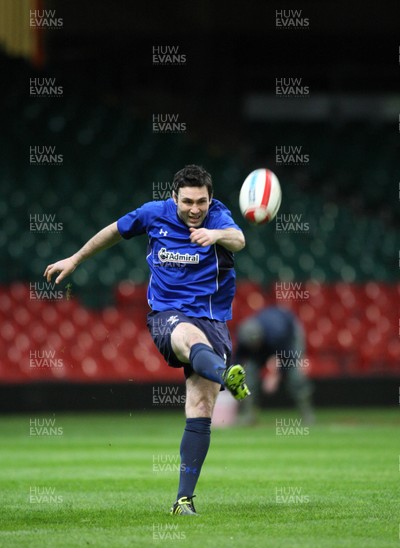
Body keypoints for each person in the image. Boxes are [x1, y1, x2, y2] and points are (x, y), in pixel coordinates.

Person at [44, 164, 250, 516]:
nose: (195, 209)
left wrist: (215, 235)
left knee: (200, 408)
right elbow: (113, 230)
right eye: (187, 202)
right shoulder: (154, 213)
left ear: (210, 198)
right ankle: (224, 373)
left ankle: (183, 500)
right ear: (174, 197)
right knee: (187, 337)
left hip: (213, 319)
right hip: (167, 314)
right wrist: (76, 259)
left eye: (201, 201)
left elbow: (239, 240)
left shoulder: (218, 218)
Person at [235, 306, 314, 425]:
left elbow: (287, 359)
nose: (253, 348)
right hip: (266, 343)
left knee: (295, 377)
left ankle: (307, 413)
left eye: (255, 344)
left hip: (290, 334)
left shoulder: (278, 334)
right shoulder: (244, 336)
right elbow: (238, 359)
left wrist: (274, 376)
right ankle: (249, 415)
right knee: (248, 376)